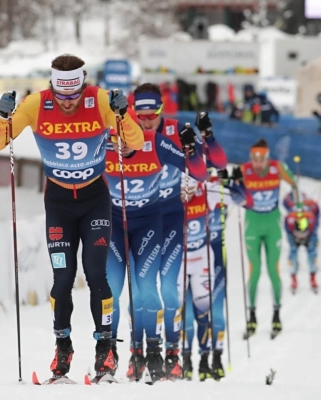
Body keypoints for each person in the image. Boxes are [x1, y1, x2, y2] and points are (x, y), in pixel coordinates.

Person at [0, 54, 144, 383]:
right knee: (62, 279)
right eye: (63, 96)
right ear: (52, 87)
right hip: (59, 202)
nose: (69, 103)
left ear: (83, 84)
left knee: (95, 274)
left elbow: (137, 142)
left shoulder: (100, 99)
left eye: (75, 95)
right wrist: (4, 117)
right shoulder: (35, 104)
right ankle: (63, 346)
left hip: (94, 200)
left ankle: (105, 349)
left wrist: (123, 114)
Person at [131, 84, 227, 380]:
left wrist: (204, 140)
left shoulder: (175, 131)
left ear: (161, 110)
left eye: (152, 114)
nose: (146, 122)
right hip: (139, 214)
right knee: (138, 290)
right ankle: (138, 354)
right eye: (141, 115)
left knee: (169, 287)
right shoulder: (128, 132)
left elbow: (215, 165)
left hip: (172, 213)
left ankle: (173, 354)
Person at [103, 124, 208, 382]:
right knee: (112, 290)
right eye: (118, 139)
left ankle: (160, 353)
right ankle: (110, 354)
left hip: (154, 223)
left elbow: (200, 171)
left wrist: (194, 149)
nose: (123, 144)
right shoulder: (102, 144)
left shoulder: (156, 142)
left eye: (128, 138)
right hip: (115, 224)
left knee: (155, 288)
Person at [180, 170, 252, 381]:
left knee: (216, 313)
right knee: (186, 314)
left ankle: (215, 358)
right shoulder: (179, 189)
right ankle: (186, 360)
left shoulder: (213, 189)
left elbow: (244, 201)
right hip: (183, 257)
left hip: (213, 256)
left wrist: (235, 183)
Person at [241, 138, 299, 339]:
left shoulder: (277, 168)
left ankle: (276, 314)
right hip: (252, 226)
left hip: (273, 226)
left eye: (261, 160)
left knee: (273, 270)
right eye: (254, 160)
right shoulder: (243, 170)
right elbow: (226, 185)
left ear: (267, 159)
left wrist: (297, 210)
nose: (258, 165)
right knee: (254, 271)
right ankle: (252, 316)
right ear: (251, 159)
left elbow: (295, 186)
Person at [283, 192, 320, 293]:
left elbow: (317, 216)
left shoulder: (312, 220)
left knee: (312, 254)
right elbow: (287, 231)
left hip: (310, 235)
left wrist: (315, 239)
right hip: (292, 236)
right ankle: (293, 279)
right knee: (292, 254)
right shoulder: (289, 220)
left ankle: (313, 278)